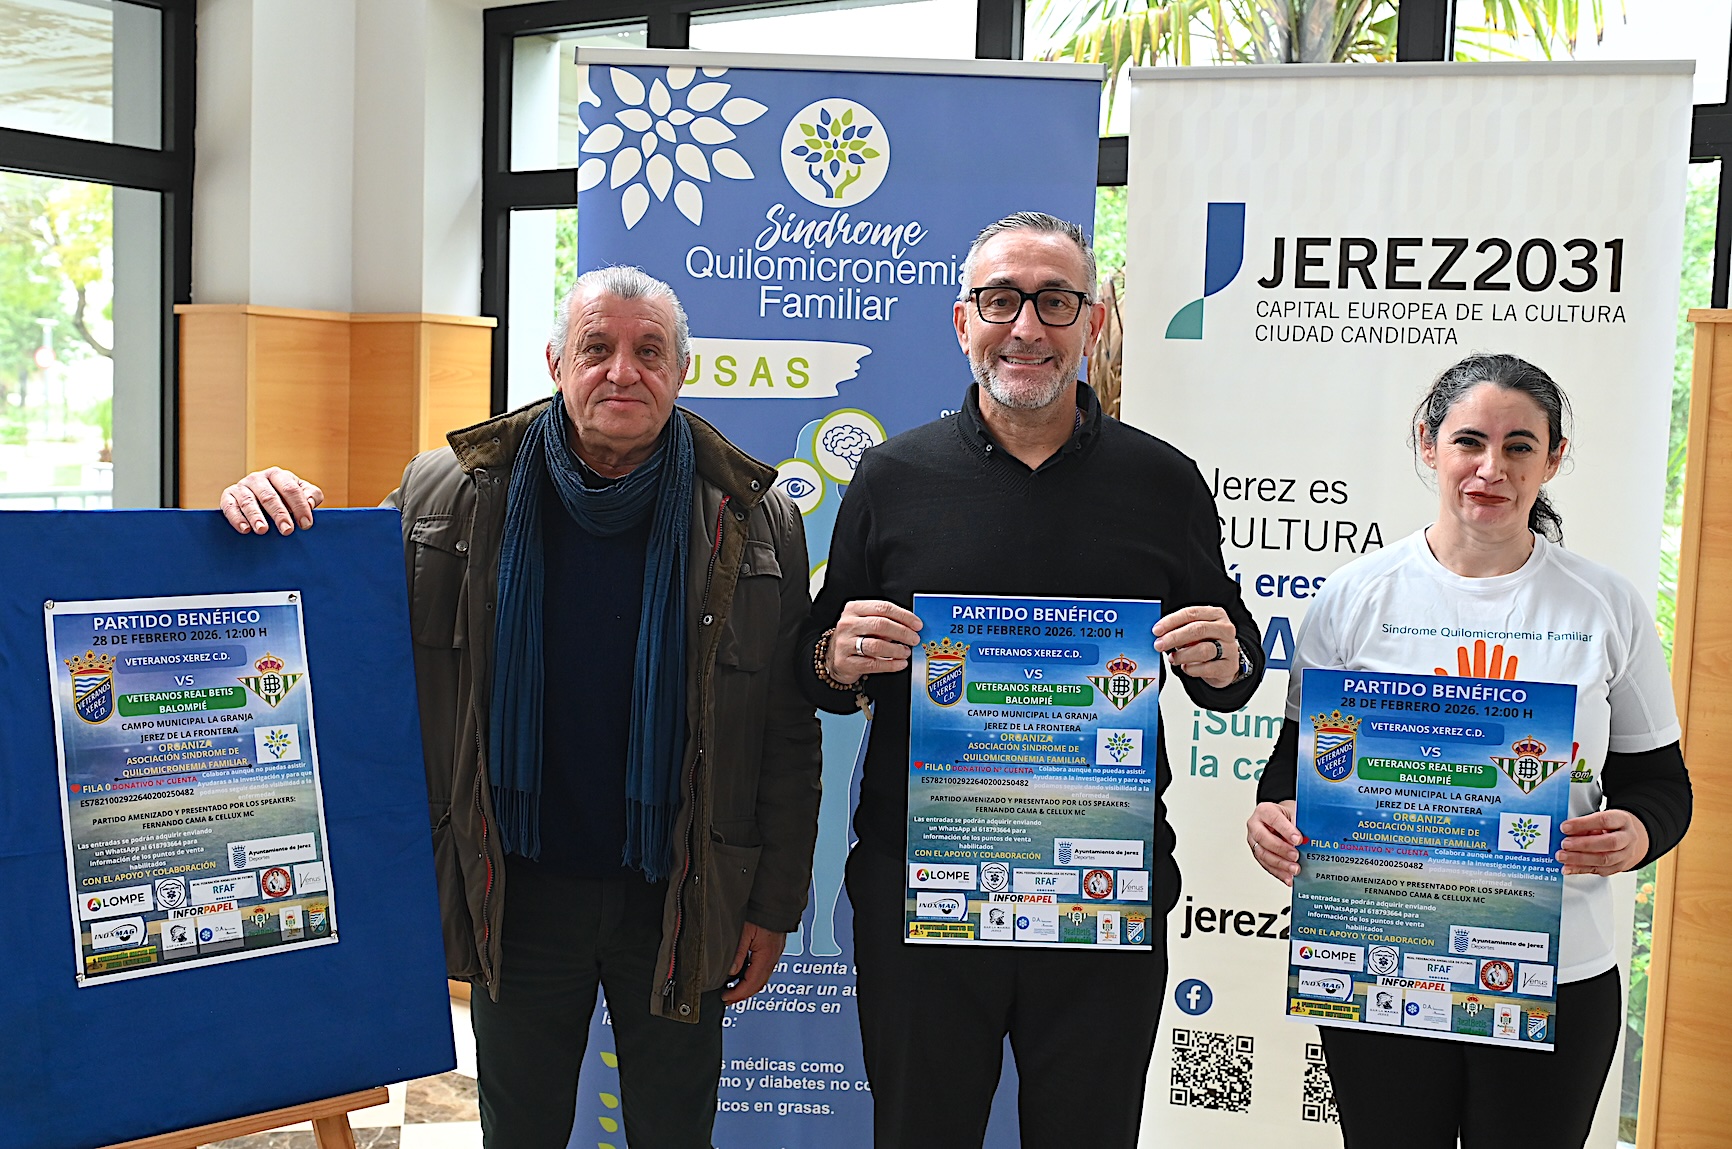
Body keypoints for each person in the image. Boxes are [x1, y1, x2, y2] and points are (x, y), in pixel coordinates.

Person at [219, 266, 823, 1149]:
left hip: (683, 890)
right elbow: (332, 628)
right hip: (515, 890)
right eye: (597, 348)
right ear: (553, 361)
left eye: (649, 351)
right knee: (521, 1130)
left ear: (682, 371)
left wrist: (772, 904)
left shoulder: (754, 512)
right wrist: (264, 502)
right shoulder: (443, 494)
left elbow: (785, 726)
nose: (623, 371)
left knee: (676, 1131)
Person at [798, 211, 1265, 1148]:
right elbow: (823, 650)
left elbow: (1230, 661)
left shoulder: (1163, 482)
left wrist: (1228, 659)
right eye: (1002, 299)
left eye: (1056, 302)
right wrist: (835, 656)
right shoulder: (893, 476)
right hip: (924, 892)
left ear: (1091, 324)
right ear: (962, 320)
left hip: (1100, 888)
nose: (1027, 327)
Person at [1245, 353, 1693, 1149]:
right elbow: (1293, 768)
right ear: (1429, 444)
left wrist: (1636, 834)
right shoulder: (1354, 597)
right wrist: (1271, 820)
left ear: (1553, 459)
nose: (1492, 468)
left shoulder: (1605, 604)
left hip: (1556, 972)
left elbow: (1662, 785)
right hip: (1382, 958)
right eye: (1469, 442)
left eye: (1520, 446)